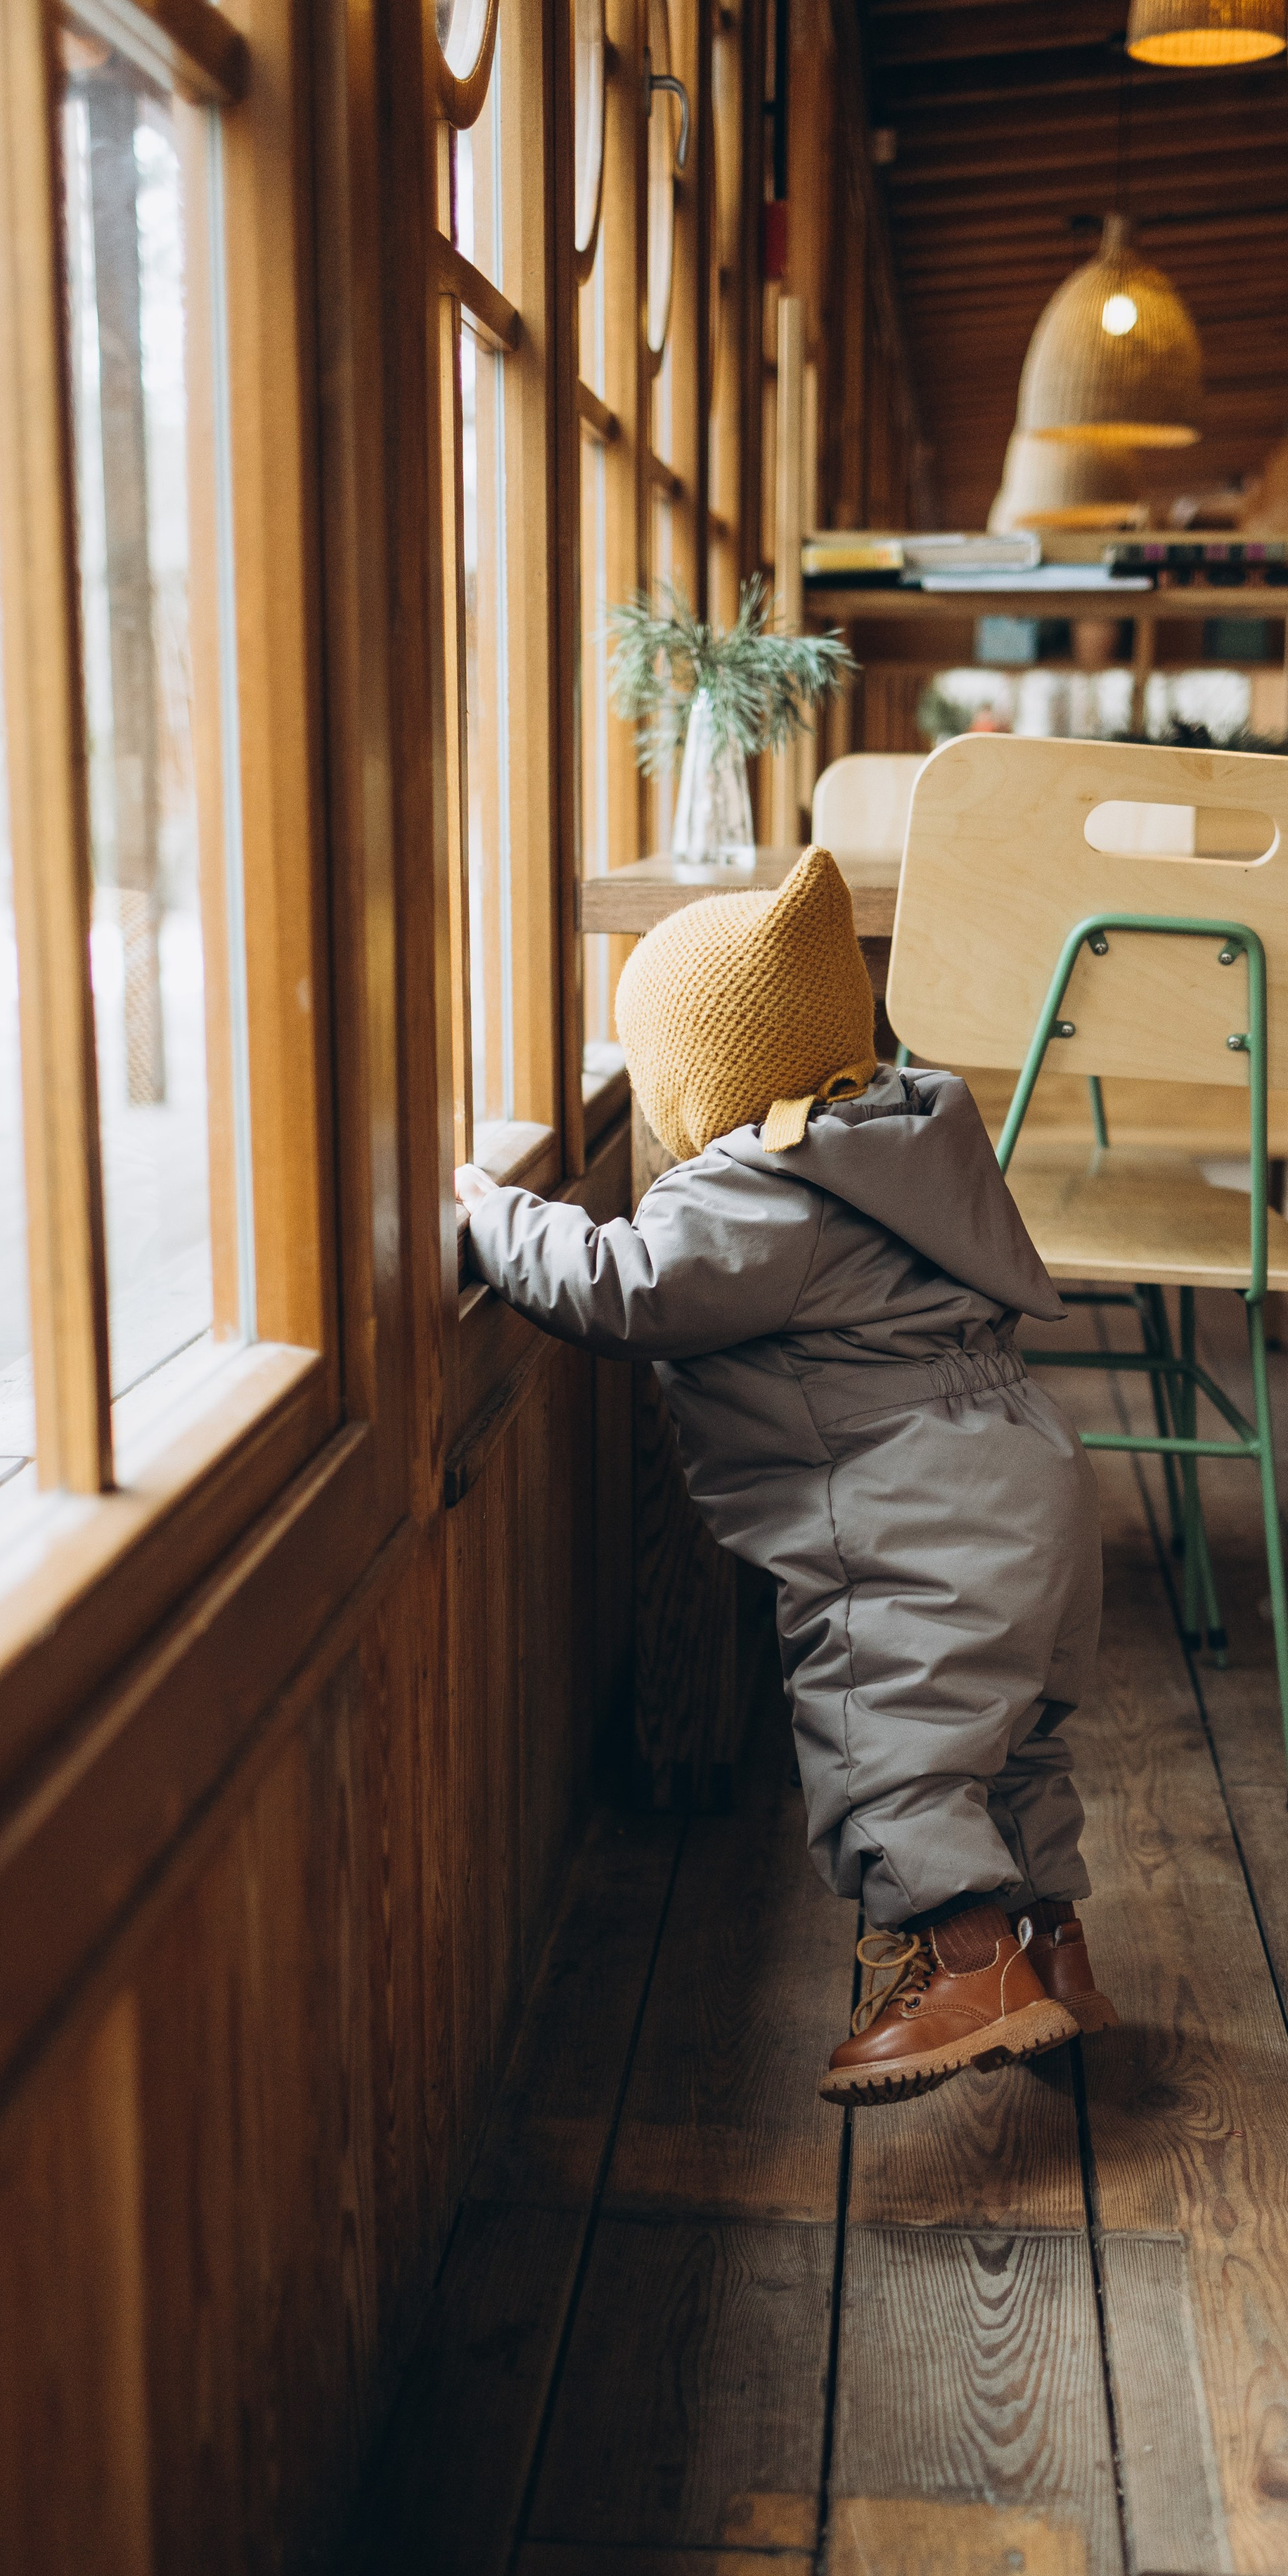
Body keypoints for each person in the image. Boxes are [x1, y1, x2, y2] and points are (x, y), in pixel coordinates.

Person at [456, 846, 1112, 2108]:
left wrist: (495, 1220)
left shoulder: (764, 1187)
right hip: (1030, 1480)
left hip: (915, 1516)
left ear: (697, 1077)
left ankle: (964, 1968)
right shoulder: (901, 1137)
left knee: (890, 1744)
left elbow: (625, 1286)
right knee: (1010, 1741)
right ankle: (1058, 1963)